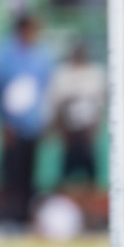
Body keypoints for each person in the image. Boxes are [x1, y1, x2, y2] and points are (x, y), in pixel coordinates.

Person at [0, 13, 53, 228]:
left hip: (32, 124)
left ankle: (25, 216)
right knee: (10, 172)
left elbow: (45, 90)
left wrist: (45, 120)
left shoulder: (42, 55)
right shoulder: (5, 55)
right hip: (12, 125)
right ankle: (9, 215)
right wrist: (2, 121)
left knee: (29, 172)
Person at [46, 42, 104, 187]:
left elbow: (98, 105)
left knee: (90, 170)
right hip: (69, 130)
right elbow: (58, 104)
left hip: (86, 130)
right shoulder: (63, 74)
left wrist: (94, 128)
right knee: (67, 170)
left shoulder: (94, 74)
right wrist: (60, 128)